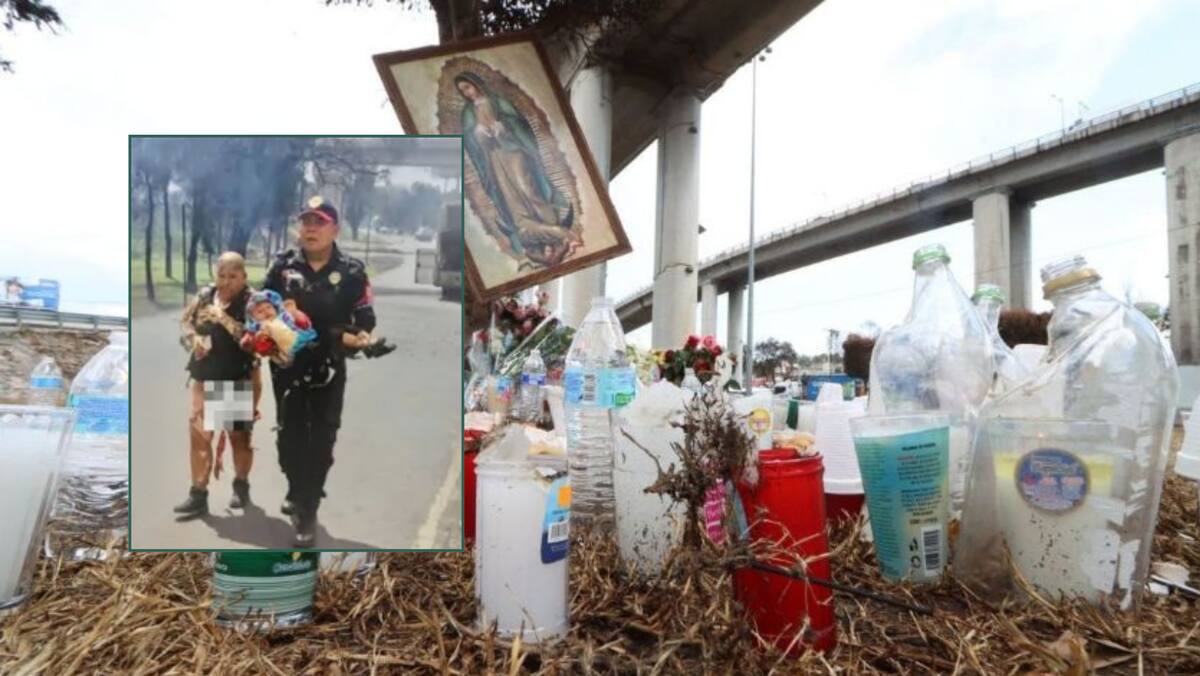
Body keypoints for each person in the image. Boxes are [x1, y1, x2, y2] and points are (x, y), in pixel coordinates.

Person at [263, 196, 375, 547]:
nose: (311, 229)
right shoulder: (282, 267)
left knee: (323, 437)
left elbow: (365, 317)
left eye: (319, 222)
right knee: (290, 437)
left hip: (329, 365)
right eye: (306, 222)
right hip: (287, 365)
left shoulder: (352, 272)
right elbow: (260, 307)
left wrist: (361, 337)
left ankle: (307, 509)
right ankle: (296, 486)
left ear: (335, 229)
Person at [454, 71, 579, 268]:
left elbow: (519, 123)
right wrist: (477, 134)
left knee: (528, 189)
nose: (467, 93)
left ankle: (552, 229)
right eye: (463, 91)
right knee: (511, 198)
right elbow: (468, 140)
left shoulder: (497, 101)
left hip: (513, 150)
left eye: (468, 87)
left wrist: (503, 127)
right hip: (493, 158)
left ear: (476, 83)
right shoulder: (468, 113)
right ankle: (543, 239)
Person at [175, 252, 262, 519]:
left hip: (233, 377)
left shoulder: (252, 302)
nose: (226, 282)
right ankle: (198, 494)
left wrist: (222, 318)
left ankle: (241, 485)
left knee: (239, 440)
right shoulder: (205, 295)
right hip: (204, 375)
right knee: (200, 437)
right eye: (222, 275)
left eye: (233, 276)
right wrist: (193, 341)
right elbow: (185, 323)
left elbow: (254, 340)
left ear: (244, 276)